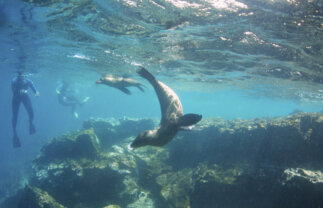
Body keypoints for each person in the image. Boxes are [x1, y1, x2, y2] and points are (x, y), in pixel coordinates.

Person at [11, 71, 39, 148]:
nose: (21, 77)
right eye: (20, 77)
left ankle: (30, 124)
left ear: (24, 76)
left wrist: (36, 92)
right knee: (15, 116)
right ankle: (15, 134)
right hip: (17, 97)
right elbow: (13, 89)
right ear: (18, 76)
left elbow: (33, 87)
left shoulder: (27, 80)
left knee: (31, 112)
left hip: (24, 97)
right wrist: (18, 90)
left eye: (23, 76)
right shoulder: (14, 80)